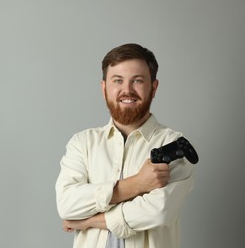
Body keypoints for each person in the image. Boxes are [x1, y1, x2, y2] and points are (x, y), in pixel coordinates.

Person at [55, 43, 196, 248]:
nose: (127, 90)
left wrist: (88, 220)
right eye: (117, 80)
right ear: (104, 88)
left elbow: (159, 211)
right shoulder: (82, 143)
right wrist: (137, 184)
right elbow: (67, 204)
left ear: (153, 88)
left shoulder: (174, 145)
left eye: (137, 80)